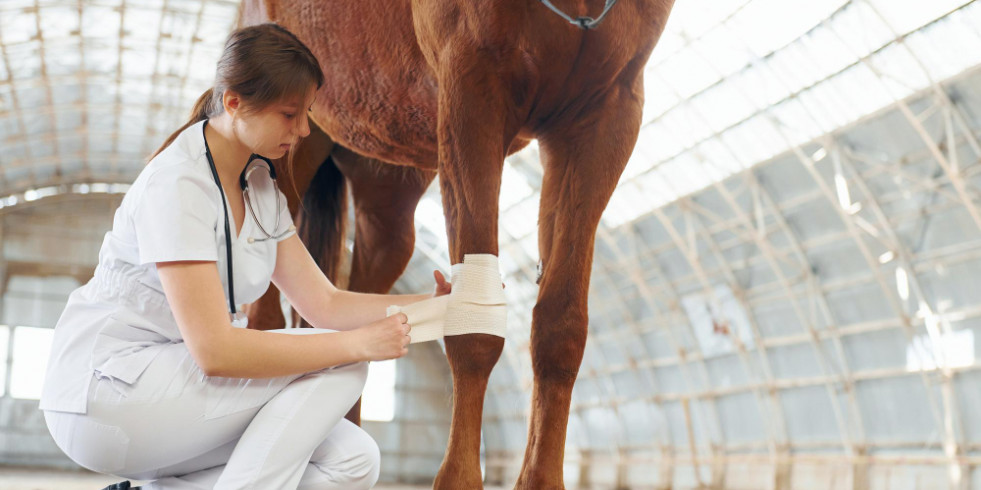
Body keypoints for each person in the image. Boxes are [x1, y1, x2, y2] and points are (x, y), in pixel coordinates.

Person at [39, 23, 449, 490]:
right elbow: (215, 351)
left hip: (173, 391)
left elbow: (327, 305)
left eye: (307, 112)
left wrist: (445, 308)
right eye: (289, 113)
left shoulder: (259, 186)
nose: (304, 130)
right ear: (233, 102)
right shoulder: (179, 183)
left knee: (353, 461)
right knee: (344, 360)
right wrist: (357, 345)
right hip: (107, 397)